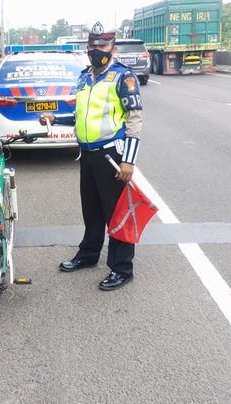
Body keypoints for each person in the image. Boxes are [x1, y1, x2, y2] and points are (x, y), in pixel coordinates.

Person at [39, 22, 143, 291]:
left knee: (116, 214)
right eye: (93, 46)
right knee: (92, 211)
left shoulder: (124, 77)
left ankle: (122, 269)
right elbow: (79, 116)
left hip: (112, 155)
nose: (97, 50)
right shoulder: (84, 77)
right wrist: (54, 117)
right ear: (87, 49)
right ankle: (88, 255)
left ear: (113, 49)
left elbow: (134, 120)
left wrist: (128, 161)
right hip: (87, 154)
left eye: (103, 46)